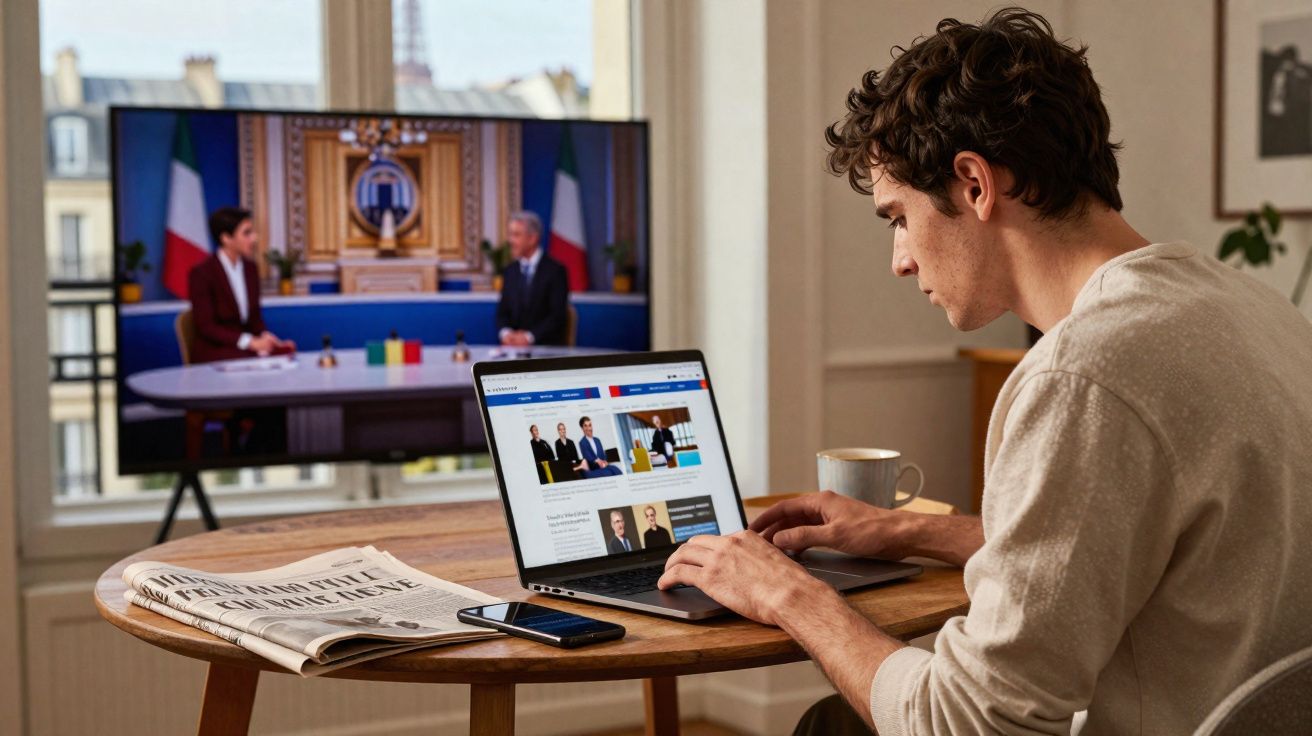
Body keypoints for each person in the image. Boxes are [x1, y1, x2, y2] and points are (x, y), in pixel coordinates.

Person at [656, 8, 1312, 736]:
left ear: (973, 183)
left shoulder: (1083, 377)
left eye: (897, 217)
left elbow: (968, 723)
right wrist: (911, 531)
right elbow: (1122, 551)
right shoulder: (1250, 306)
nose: (900, 259)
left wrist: (788, 595)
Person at [188, 207, 294, 364]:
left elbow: (255, 319)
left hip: (244, 349)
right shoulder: (202, 273)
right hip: (216, 351)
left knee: (285, 353)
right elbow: (207, 327)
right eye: (247, 233)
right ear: (226, 238)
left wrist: (266, 337)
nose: (254, 238)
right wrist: (250, 342)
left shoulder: (251, 269)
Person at [495, 211, 570, 346]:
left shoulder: (556, 271)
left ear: (532, 238)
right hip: (513, 351)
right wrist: (506, 333)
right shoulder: (510, 271)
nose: (510, 240)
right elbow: (502, 313)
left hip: (546, 351)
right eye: (510, 234)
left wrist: (529, 337)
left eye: (516, 235)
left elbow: (557, 316)